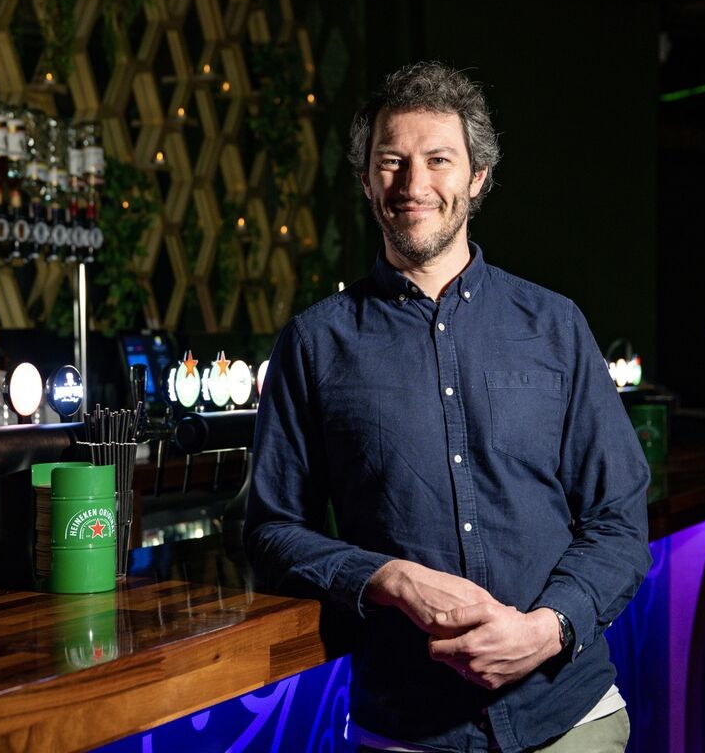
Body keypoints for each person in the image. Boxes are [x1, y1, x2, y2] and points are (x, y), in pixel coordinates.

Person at [244, 62, 651, 753]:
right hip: (409, 728)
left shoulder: (554, 325)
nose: (413, 184)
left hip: (569, 717)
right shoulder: (314, 344)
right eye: (391, 162)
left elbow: (618, 518)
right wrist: (386, 577)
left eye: (438, 160)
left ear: (478, 177)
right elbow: (272, 531)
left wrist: (547, 628)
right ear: (366, 179)